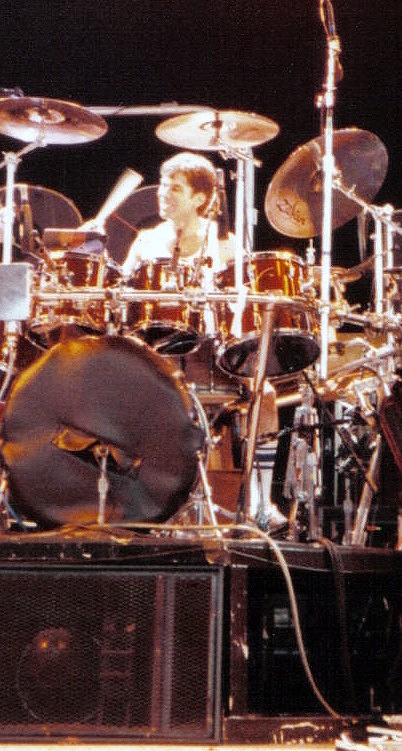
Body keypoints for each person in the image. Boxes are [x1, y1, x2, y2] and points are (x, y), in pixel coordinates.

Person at [120, 152, 284, 530]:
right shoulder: (146, 243)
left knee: (265, 395)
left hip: (210, 357)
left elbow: (244, 309)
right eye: (162, 185)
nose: (163, 193)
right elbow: (123, 302)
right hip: (158, 359)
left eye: (174, 188)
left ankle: (262, 501)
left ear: (200, 198)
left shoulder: (225, 245)